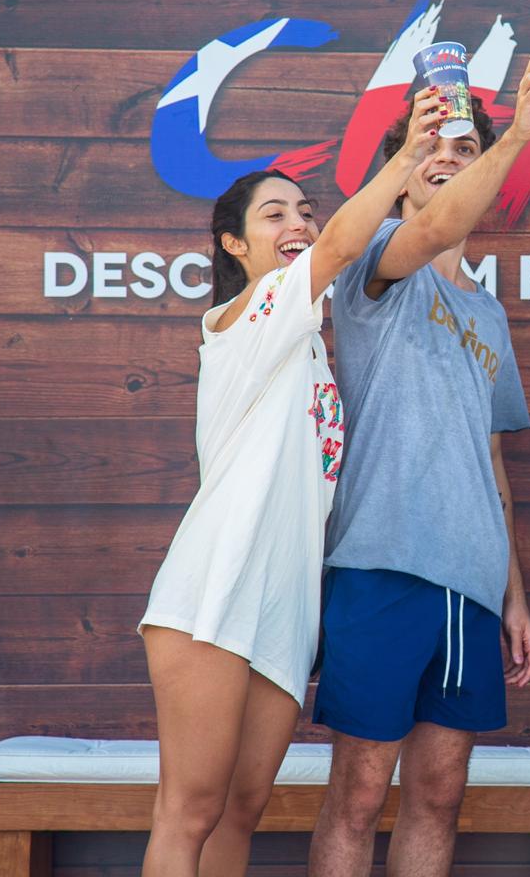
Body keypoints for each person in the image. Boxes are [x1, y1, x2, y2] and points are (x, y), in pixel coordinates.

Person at [137, 89, 444, 877]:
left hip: (285, 611)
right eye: (276, 214)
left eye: (304, 210)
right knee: (190, 810)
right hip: (214, 593)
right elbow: (342, 247)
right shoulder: (245, 317)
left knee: (242, 811)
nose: (299, 223)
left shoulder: (306, 343)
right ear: (232, 243)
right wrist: (407, 154)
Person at [307, 49, 530, 877]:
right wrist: (521, 127)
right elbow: (432, 230)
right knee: (357, 791)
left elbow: (492, 466)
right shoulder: (375, 259)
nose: (447, 161)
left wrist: (514, 594)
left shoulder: (488, 313)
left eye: (465, 149)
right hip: (379, 566)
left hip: (471, 585)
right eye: (431, 147)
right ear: (400, 169)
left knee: (441, 794)